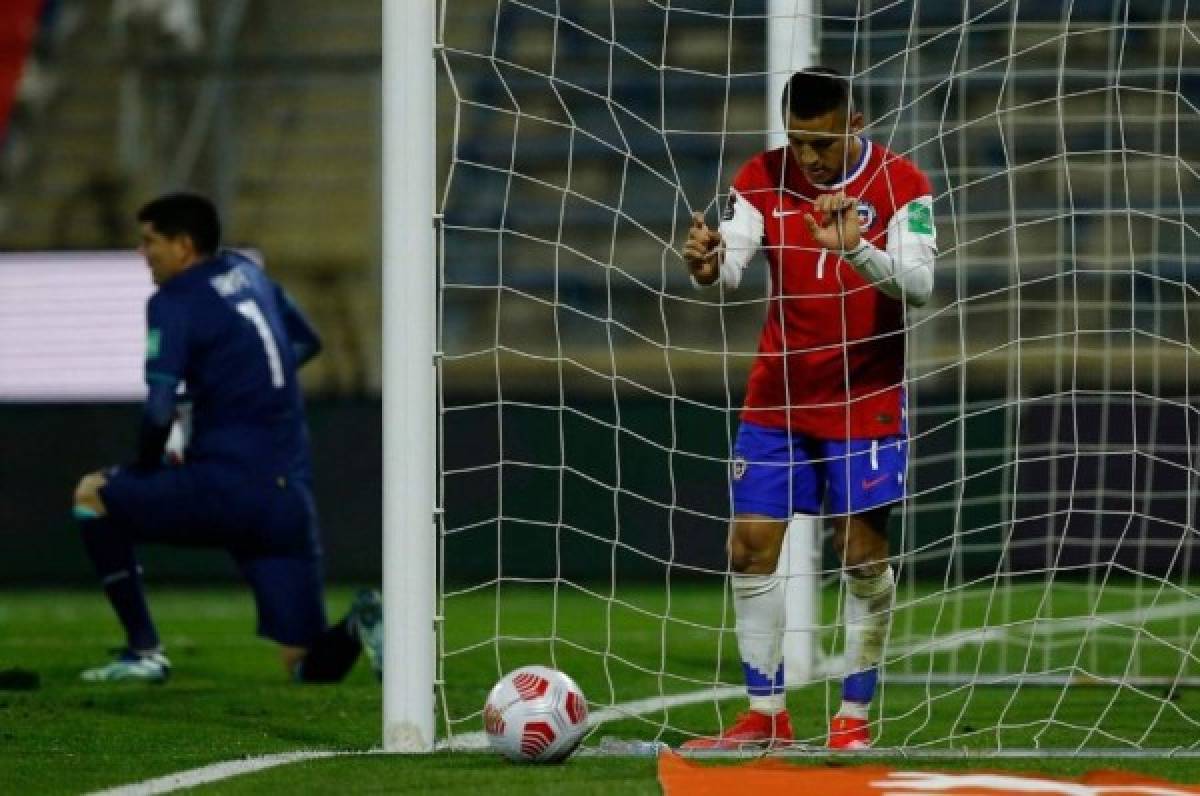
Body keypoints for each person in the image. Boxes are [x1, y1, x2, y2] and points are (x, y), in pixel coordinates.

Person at [680, 68, 936, 750]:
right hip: (779, 395)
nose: (810, 158)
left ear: (855, 124)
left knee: (859, 554)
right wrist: (707, 266)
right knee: (750, 548)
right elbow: (729, 264)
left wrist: (854, 247)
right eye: (798, 142)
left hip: (865, 399)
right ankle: (765, 717)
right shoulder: (761, 177)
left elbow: (920, 284)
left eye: (822, 143)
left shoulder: (903, 184)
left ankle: (853, 718)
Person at [72, 192, 381, 684]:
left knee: (93, 496)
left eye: (150, 241)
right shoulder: (250, 275)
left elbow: (157, 411)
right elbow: (306, 341)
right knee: (305, 662)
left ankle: (144, 652)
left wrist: (147, 466)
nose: (142, 252)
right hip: (286, 496)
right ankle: (358, 626)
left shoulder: (173, 301)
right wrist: (243, 384)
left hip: (222, 486)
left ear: (184, 246)